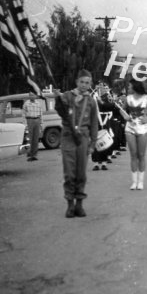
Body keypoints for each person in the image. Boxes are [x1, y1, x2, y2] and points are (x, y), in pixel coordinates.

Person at [55, 70, 98, 218]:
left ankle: (79, 204)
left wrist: (93, 143)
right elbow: (61, 111)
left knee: (81, 173)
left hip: (83, 138)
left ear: (90, 84)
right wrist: (57, 99)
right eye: (82, 82)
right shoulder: (67, 96)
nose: (84, 85)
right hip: (68, 137)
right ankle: (70, 205)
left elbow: (93, 123)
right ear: (76, 81)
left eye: (87, 83)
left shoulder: (91, 101)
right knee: (69, 172)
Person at [120, 79, 147, 190]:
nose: (128, 88)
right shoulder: (128, 98)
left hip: (142, 128)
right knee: (133, 155)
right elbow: (122, 109)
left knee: (141, 155)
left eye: (129, 86)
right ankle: (134, 182)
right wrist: (125, 116)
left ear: (135, 86)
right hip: (130, 128)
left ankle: (141, 181)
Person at [22, 92, 43, 162]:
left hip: (37, 120)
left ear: (36, 96)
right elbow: (23, 114)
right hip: (29, 120)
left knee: (36, 139)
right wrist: (25, 124)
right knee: (29, 139)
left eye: (33, 95)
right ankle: (30, 154)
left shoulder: (38, 104)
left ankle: (34, 155)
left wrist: (41, 124)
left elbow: (41, 114)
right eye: (30, 95)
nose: (31, 96)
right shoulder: (26, 104)